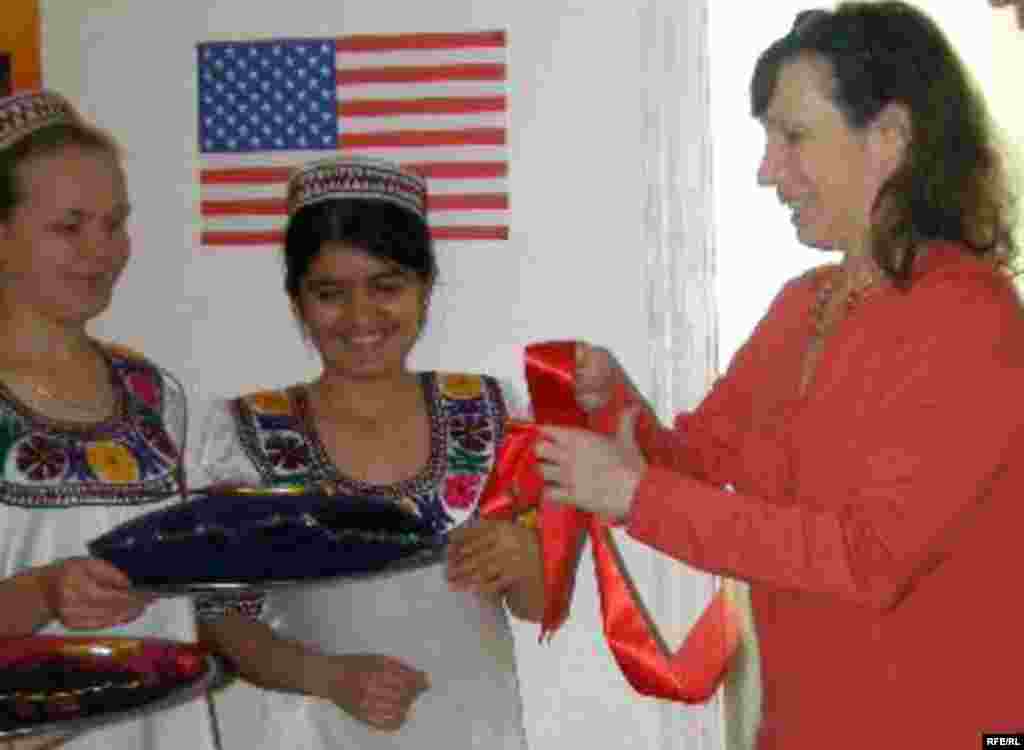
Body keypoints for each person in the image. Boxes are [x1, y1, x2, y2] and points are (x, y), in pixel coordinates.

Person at [536, 3, 1024, 748]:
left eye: (793, 137)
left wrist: (634, 494)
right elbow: (698, 461)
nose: (768, 171)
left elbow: (866, 561)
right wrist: (614, 407)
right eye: (769, 140)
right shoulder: (804, 305)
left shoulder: (970, 317)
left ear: (888, 140)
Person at [193, 155, 544, 750]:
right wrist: (328, 678)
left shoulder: (490, 413)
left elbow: (534, 605)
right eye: (331, 292)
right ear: (297, 299)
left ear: (425, 286)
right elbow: (220, 621)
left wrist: (525, 554)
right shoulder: (247, 434)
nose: (361, 317)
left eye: (386, 286)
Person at [0, 90, 218, 750]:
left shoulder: (156, 397)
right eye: (69, 227)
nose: (103, 250)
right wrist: (44, 592)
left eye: (114, 222)